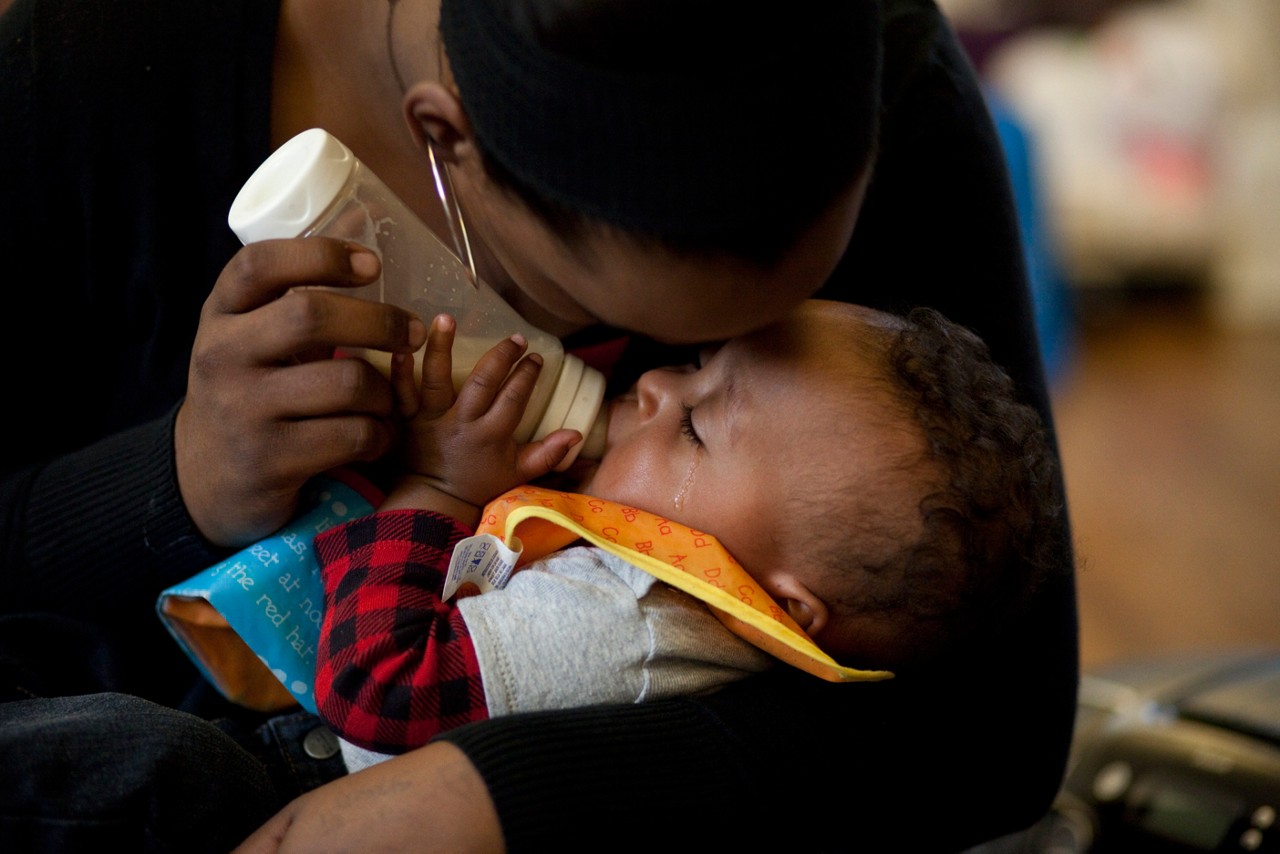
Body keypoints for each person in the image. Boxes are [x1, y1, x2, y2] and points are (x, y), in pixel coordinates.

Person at [0, 0, 1079, 851]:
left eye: (700, 407)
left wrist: (502, 795)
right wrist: (173, 482)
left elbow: (993, 718)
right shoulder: (90, 80)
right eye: (675, 351)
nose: (636, 390)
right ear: (443, 141)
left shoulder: (878, 71)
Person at [316, 300, 1060, 774]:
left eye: (696, 429)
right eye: (698, 366)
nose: (656, 387)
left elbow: (379, 692)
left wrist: (438, 487)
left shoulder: (630, 619)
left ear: (784, 605)